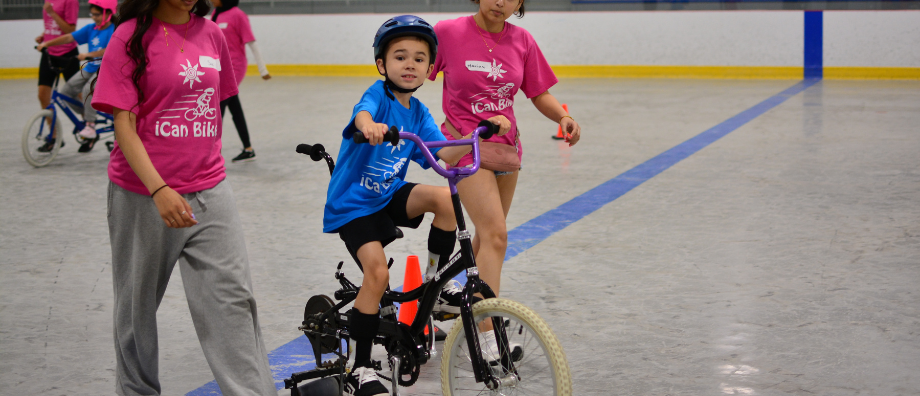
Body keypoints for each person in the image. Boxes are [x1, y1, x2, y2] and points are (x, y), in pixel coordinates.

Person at [89, 0, 276, 394]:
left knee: (233, 304)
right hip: (144, 195)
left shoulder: (211, 33)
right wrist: (159, 189)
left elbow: (213, 105)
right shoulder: (129, 36)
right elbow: (123, 123)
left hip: (211, 188)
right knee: (136, 311)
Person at [322, 15, 507, 396]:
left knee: (442, 198)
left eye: (420, 59)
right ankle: (359, 367)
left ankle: (434, 284)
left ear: (429, 68)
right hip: (353, 205)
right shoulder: (378, 96)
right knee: (377, 277)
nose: (410, 64)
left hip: (387, 195)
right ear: (382, 65)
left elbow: (445, 153)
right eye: (400, 57)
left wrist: (477, 133)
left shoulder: (419, 112)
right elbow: (362, 112)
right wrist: (369, 125)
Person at [428, 0, 581, 329]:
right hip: (465, 146)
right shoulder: (448, 32)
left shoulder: (522, 40)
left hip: (506, 151)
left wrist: (563, 116)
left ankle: (459, 304)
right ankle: (486, 334)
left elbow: (538, 92)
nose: (500, 1)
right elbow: (412, 73)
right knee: (496, 236)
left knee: (486, 241)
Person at [36, 0, 115, 153]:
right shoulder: (91, 28)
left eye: (97, 14)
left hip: (106, 70)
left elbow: (109, 50)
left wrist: (89, 54)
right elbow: (69, 37)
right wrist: (47, 43)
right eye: (92, 14)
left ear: (108, 13)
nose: (94, 18)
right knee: (67, 90)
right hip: (91, 67)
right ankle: (87, 116)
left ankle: (90, 126)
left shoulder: (114, 30)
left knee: (88, 89)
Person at [211, 0, 270, 162]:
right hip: (218, 67)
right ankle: (248, 148)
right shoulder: (215, 14)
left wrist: (262, 69)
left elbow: (251, 42)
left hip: (234, 67)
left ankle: (212, 152)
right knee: (234, 107)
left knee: (219, 105)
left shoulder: (238, 15)